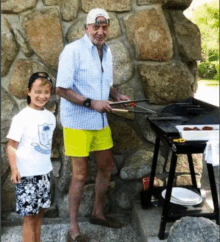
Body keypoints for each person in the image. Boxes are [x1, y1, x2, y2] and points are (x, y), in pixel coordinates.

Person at [56, 8, 131, 242]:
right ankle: (73, 229)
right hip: (77, 122)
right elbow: (61, 89)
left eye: (104, 27)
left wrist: (116, 95)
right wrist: (91, 103)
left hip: (100, 121)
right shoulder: (72, 51)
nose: (100, 32)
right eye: (95, 27)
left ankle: (97, 213)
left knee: (106, 167)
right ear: (86, 28)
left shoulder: (106, 52)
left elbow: (104, 82)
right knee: (79, 176)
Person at [6, 72, 56, 242]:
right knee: (29, 218)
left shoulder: (50, 117)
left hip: (44, 174)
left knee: (39, 214)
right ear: (28, 91)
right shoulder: (21, 118)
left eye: (46, 92)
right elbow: (11, 146)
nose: (42, 96)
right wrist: (14, 169)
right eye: (38, 91)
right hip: (26, 175)